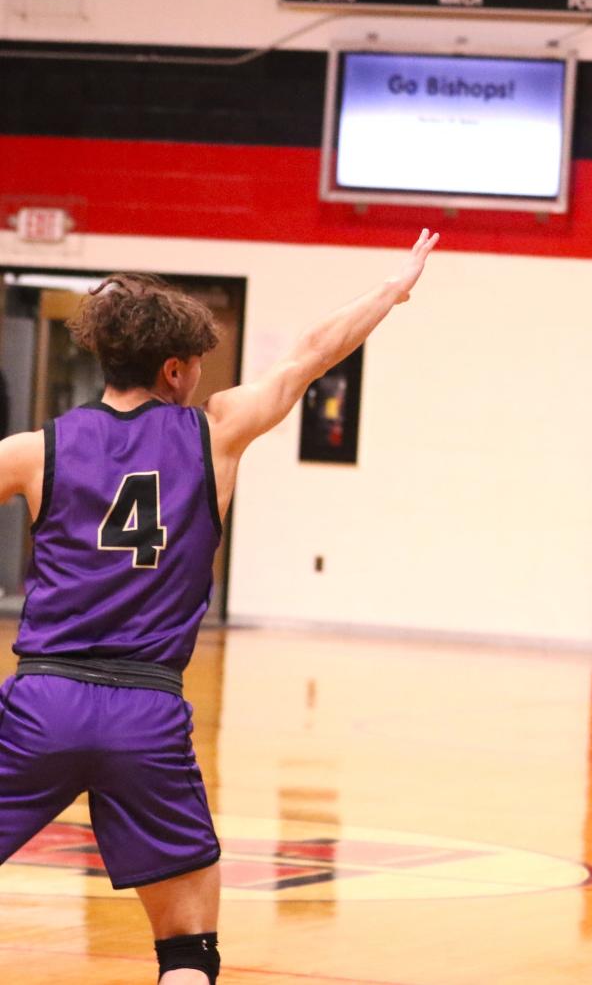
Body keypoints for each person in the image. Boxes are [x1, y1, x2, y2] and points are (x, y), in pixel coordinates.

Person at [0, 228, 439, 984]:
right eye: (197, 364)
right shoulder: (217, 433)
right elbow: (313, 352)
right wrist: (390, 292)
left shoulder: (35, 449)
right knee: (188, 946)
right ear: (174, 369)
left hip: (44, 701)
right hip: (146, 712)